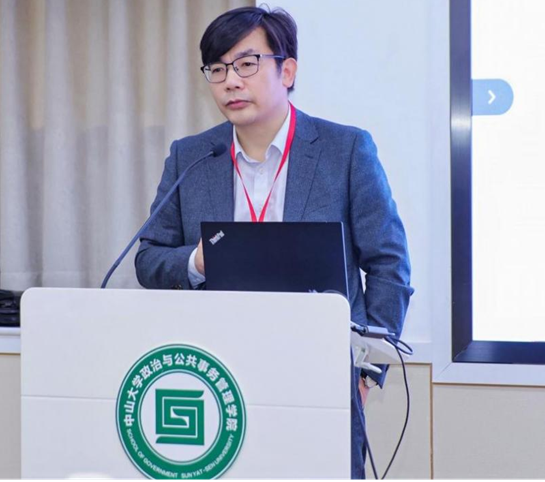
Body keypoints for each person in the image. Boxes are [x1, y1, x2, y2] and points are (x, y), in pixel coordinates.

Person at [135, 6, 413, 479]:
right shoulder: (190, 156)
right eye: (217, 69)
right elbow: (148, 260)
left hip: (320, 379)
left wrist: (365, 371)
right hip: (216, 381)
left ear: (287, 71)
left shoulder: (345, 150)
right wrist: (197, 261)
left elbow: (388, 264)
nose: (230, 81)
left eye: (246, 64)